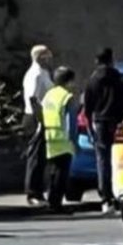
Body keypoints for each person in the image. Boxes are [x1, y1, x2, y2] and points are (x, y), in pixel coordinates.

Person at [83, 47, 123, 215]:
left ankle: (106, 199)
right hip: (118, 123)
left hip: (100, 123)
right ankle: (120, 194)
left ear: (96, 61)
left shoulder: (92, 80)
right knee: (120, 160)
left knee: (102, 161)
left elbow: (87, 107)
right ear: (112, 60)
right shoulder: (120, 79)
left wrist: (90, 126)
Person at [39, 66, 80, 212]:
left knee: (52, 172)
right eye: (72, 81)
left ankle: (51, 200)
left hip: (49, 137)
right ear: (68, 82)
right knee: (61, 174)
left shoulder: (49, 95)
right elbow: (72, 122)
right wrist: (74, 141)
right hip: (63, 140)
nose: (74, 85)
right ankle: (56, 204)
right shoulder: (67, 97)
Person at [21, 44, 54, 207]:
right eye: (47, 55)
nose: (50, 58)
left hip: (43, 117)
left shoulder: (44, 73)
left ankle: (39, 192)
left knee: (41, 158)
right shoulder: (34, 75)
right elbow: (33, 99)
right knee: (34, 157)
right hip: (35, 118)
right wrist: (40, 121)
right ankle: (32, 193)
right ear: (40, 57)